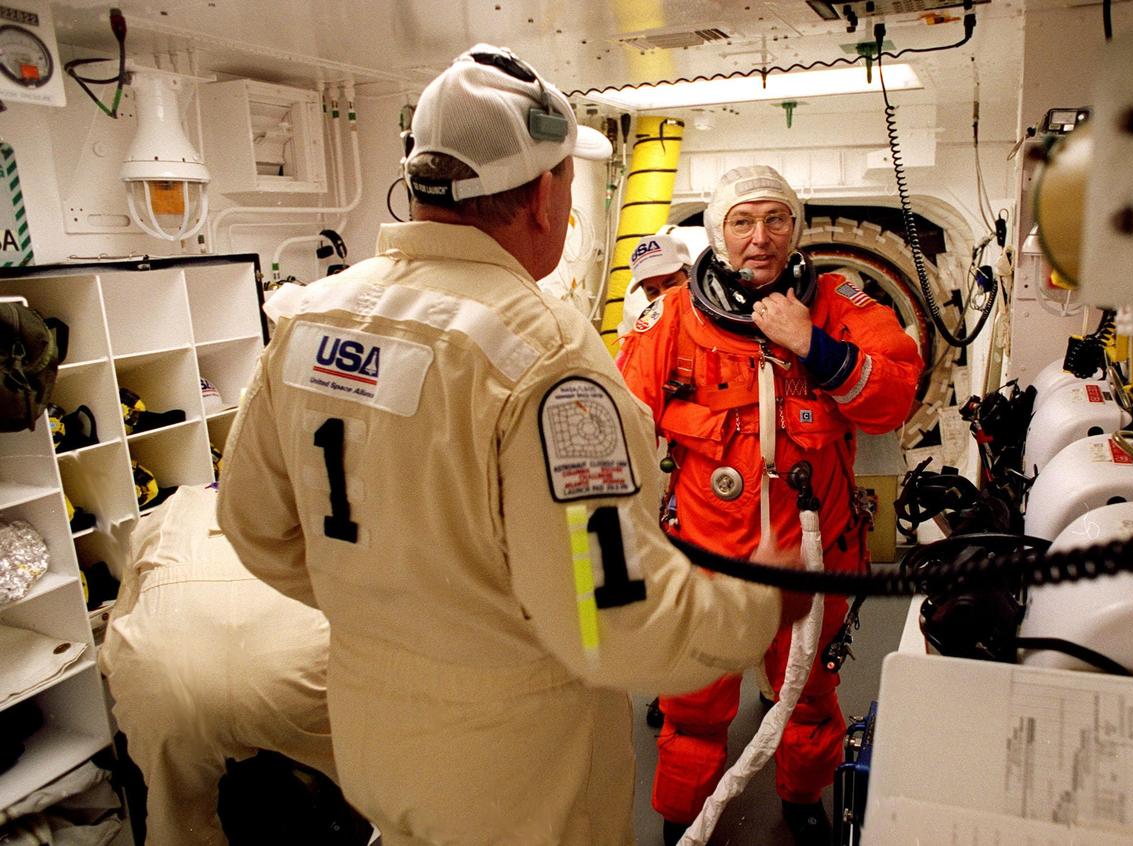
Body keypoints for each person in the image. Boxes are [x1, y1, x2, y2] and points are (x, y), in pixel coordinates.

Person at [216, 45, 809, 846]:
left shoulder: (311, 319)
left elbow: (255, 526)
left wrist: (393, 608)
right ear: (541, 194)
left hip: (372, 745)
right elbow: (614, 623)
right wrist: (761, 603)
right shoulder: (548, 360)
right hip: (519, 784)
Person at [617, 164, 924, 845]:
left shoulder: (841, 306)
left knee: (811, 695)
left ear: (796, 229)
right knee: (692, 703)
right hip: (708, 559)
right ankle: (680, 815)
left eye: (776, 219)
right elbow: (624, 427)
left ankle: (802, 796)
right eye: (743, 222)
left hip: (815, 558)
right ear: (719, 237)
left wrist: (812, 345)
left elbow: (894, 391)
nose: (762, 238)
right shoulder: (673, 322)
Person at [99, 485, 340, 846]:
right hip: (294, 666)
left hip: (166, 678)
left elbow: (115, 637)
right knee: (378, 783)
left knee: (176, 817)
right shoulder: (318, 501)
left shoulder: (166, 511)